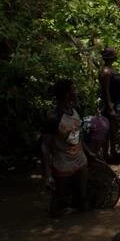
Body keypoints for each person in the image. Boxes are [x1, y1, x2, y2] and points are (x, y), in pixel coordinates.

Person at [40, 80, 89, 216]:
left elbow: (78, 135)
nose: (76, 92)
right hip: (62, 165)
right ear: (66, 94)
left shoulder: (76, 110)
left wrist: (90, 154)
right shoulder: (54, 118)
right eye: (73, 90)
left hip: (80, 161)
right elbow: (45, 146)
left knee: (83, 204)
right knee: (57, 209)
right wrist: (48, 175)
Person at [98, 47, 120, 160]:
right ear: (111, 57)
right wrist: (110, 108)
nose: (116, 55)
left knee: (114, 129)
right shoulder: (106, 72)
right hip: (110, 104)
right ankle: (106, 154)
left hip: (116, 102)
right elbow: (106, 91)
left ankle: (113, 151)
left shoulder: (111, 69)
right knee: (107, 129)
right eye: (114, 54)